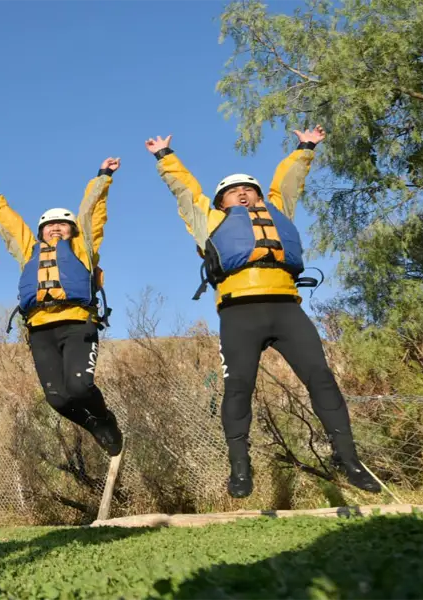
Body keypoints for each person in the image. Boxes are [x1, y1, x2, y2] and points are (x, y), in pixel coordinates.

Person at [145, 126, 381, 498]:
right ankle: (240, 467)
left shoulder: (277, 211)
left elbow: (289, 182)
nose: (242, 192)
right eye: (232, 191)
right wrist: (165, 157)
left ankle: (348, 459)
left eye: (249, 188)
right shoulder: (210, 221)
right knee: (238, 388)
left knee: (321, 378)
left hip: (286, 309)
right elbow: (185, 190)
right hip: (239, 313)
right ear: (221, 202)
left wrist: (305, 148)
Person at [0, 159, 124, 457]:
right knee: (57, 399)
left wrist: (103, 177)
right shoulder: (28, 252)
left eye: (62, 225)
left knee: (80, 388)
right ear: (41, 232)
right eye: (49, 226)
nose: (55, 229)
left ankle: (104, 419)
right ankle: (94, 425)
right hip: (40, 330)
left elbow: (93, 213)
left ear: (72, 230)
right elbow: (12, 227)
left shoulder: (82, 248)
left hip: (77, 324)